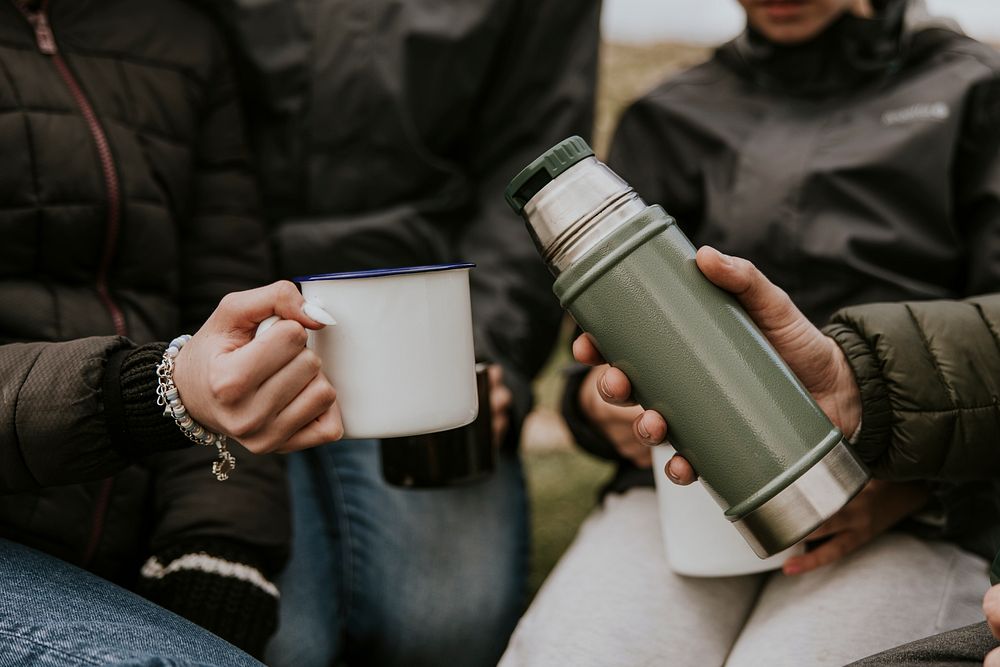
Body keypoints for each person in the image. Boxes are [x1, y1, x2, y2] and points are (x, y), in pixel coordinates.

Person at [501, 0, 1000, 664]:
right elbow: (593, 357)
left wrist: (916, 489)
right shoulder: (671, 113)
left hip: (908, 505)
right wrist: (599, 406)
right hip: (681, 505)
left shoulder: (974, 90)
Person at [198, 1, 601, 664]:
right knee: (279, 638)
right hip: (230, 303)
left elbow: (529, 168)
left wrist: (486, 350)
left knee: (444, 623)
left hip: (427, 317)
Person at [0, 1, 341, 662]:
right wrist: (154, 390)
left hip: (130, 516)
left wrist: (218, 539)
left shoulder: (182, 35)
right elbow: (182, 376)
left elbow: (226, 301)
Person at [577, 247, 1000, 667]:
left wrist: (925, 481)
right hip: (672, 507)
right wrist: (591, 403)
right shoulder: (614, 201)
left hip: (909, 503)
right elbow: (594, 311)